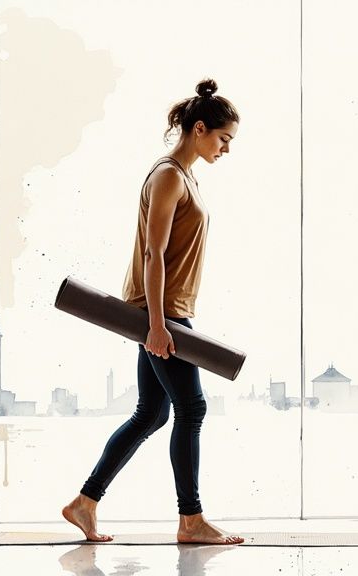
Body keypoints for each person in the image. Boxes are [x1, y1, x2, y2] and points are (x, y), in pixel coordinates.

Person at [61, 79, 244, 545]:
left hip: (166, 310)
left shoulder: (185, 177)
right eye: (223, 139)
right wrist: (158, 326)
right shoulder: (168, 176)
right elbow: (153, 254)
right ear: (199, 129)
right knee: (191, 408)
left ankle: (85, 503)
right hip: (159, 312)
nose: (226, 149)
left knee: (151, 414)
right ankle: (191, 520)